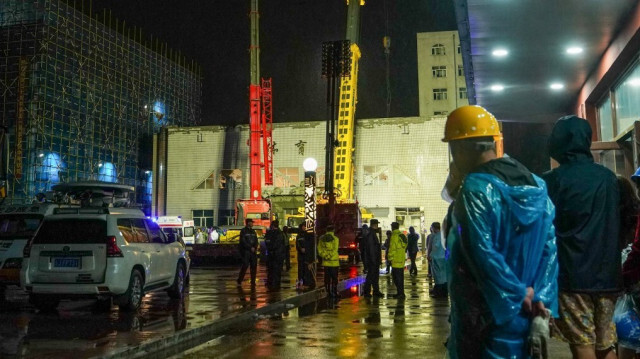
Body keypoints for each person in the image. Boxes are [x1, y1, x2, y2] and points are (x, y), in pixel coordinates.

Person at [443, 105, 558, 358]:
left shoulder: (475, 189)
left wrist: (517, 294)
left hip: (486, 316)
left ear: (460, 148)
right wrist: (539, 295)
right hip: (528, 313)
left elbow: (482, 253)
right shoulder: (536, 185)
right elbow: (549, 249)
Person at [542, 115, 621, 359]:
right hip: (608, 277)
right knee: (605, 343)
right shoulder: (608, 178)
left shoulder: (553, 180)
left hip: (573, 277)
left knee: (582, 343)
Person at [616, 175, 640, 359]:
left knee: (627, 338)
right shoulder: (635, 213)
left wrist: (625, 277)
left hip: (632, 281)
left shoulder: (613, 216)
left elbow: (637, 250)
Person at [362, 219, 384, 298]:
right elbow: (371, 248)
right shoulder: (371, 234)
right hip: (373, 259)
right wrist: (374, 260)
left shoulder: (371, 233)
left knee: (374, 276)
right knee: (371, 275)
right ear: (375, 225)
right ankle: (367, 291)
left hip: (373, 259)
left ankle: (375, 291)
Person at [318, 224, 340, 298]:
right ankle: (334, 291)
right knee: (334, 278)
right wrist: (329, 256)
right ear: (333, 230)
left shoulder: (321, 239)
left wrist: (325, 256)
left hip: (326, 262)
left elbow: (319, 249)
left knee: (327, 278)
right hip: (334, 262)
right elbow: (335, 249)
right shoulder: (335, 239)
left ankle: (328, 292)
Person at [264, 220, 286, 290]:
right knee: (277, 270)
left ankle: (273, 284)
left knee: (272, 270)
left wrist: (270, 249)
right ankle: (276, 284)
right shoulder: (280, 234)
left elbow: (269, 243)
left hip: (274, 255)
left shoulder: (272, 233)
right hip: (278, 255)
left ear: (272, 226)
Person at [237, 218, 259, 286]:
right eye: (251, 222)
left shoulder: (253, 231)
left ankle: (253, 281)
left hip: (253, 252)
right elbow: (243, 241)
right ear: (248, 223)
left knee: (254, 266)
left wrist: (255, 247)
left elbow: (256, 240)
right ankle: (239, 280)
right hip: (246, 252)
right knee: (245, 266)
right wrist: (250, 248)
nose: (253, 223)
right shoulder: (243, 231)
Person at [388, 222, 408, 299]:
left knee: (396, 278)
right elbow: (405, 245)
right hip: (401, 260)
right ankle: (401, 293)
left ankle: (400, 293)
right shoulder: (402, 235)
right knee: (400, 278)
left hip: (395, 260)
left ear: (392, 227)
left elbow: (392, 249)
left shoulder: (394, 236)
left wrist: (390, 258)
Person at [429, 222, 448, 298]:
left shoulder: (436, 236)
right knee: (444, 276)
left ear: (433, 228)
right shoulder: (444, 235)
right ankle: (444, 292)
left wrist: (431, 255)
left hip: (437, 258)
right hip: (444, 257)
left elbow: (436, 246)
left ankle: (439, 293)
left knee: (438, 277)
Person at [296, 223, 307, 289]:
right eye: (304, 226)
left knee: (305, 268)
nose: (305, 227)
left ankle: (305, 281)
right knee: (300, 268)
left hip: (305, 254)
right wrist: (300, 249)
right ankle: (300, 280)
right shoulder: (299, 235)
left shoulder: (307, 234)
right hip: (300, 255)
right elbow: (297, 244)